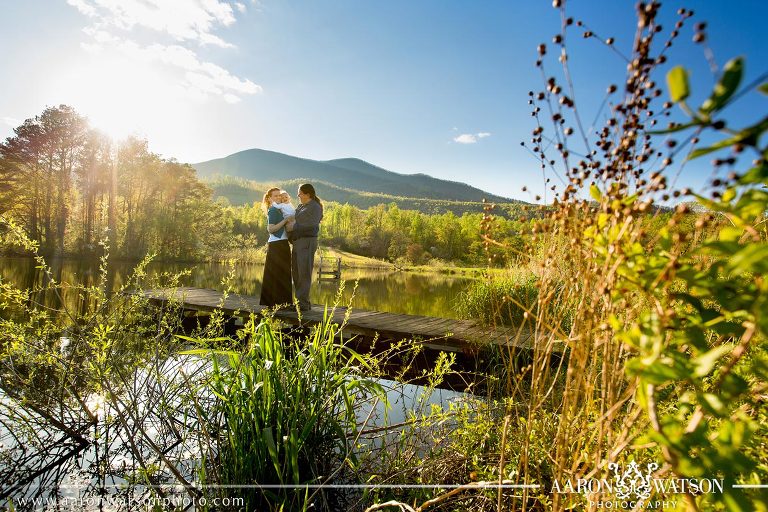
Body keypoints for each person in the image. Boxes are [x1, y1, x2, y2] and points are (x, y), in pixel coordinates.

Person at [290, 183, 323, 311]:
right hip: (298, 242)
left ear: (307, 194)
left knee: (304, 273)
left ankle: (302, 304)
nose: (298, 195)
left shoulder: (315, 207)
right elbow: (295, 220)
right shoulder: (301, 206)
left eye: (300, 193)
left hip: (307, 242)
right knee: (297, 273)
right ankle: (299, 302)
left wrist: (293, 226)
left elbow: (310, 224)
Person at [259, 187, 294, 308]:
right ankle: (275, 303)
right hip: (276, 245)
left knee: (282, 274)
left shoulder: (280, 208)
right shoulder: (273, 210)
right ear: (269, 198)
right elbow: (271, 229)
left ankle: (282, 303)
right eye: (275, 196)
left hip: (282, 243)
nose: (279, 197)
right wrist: (285, 221)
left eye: (279, 195)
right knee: (277, 274)